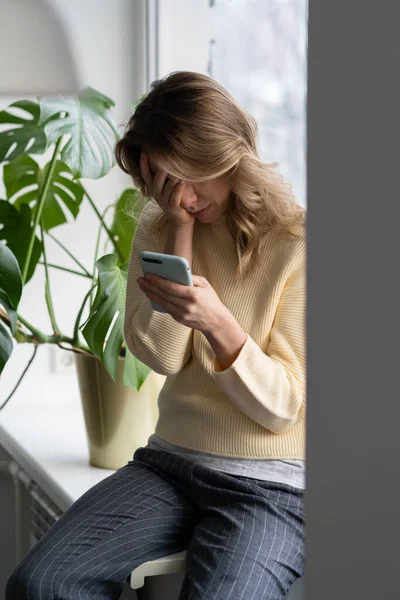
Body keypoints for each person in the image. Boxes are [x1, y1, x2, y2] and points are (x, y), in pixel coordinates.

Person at [6, 71, 306, 600]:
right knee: (42, 582)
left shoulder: (297, 243)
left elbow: (283, 407)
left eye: (190, 177)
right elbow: (164, 357)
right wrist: (181, 232)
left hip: (270, 487)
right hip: (171, 464)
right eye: (164, 182)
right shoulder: (163, 222)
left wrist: (217, 322)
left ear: (227, 155)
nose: (182, 198)